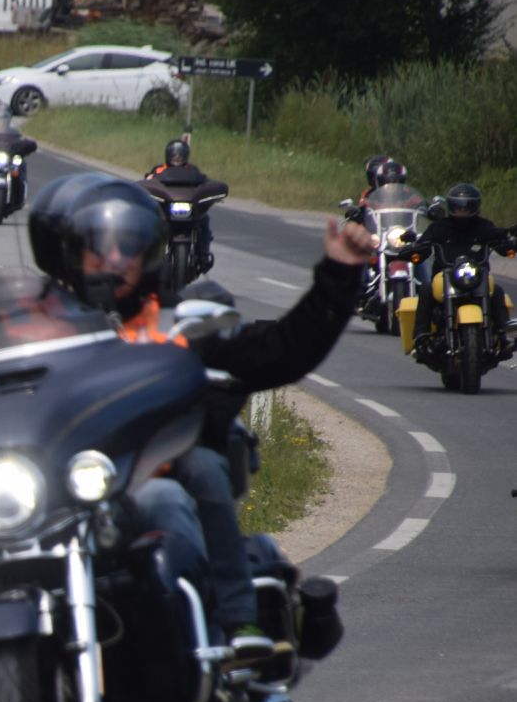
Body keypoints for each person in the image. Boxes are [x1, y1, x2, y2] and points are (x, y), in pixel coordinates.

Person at [26, 173, 377, 668]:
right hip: (55, 484)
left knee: (180, 488)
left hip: (156, 474)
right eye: (97, 247)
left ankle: (230, 623)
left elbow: (280, 351)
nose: (113, 260)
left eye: (126, 246)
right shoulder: (34, 332)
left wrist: (338, 275)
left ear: (148, 251)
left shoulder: (182, 322)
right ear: (66, 253)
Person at [408, 182, 517, 359]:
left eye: (467, 207)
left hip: (477, 275)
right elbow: (424, 244)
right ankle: (421, 337)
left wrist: (509, 244)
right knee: (427, 289)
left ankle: (505, 335)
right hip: (444, 275)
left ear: (475, 207)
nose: (462, 211)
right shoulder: (440, 227)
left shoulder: (484, 227)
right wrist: (415, 250)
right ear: (451, 207)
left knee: (496, 291)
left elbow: (501, 242)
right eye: (459, 207)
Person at [143, 138, 215, 272]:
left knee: (204, 219)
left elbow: (206, 182)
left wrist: (210, 189)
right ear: (168, 155)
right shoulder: (158, 170)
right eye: (174, 154)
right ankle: (147, 253)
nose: (177, 157)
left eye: (180, 155)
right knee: (149, 220)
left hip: (189, 209)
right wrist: (146, 184)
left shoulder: (192, 170)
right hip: (165, 209)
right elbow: (146, 182)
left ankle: (203, 254)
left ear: (186, 156)